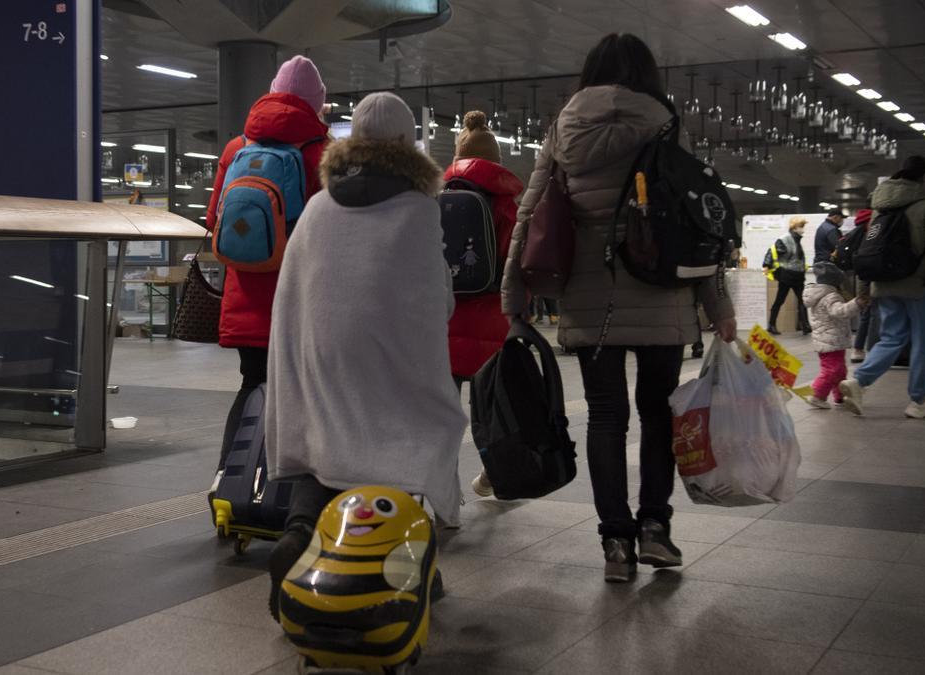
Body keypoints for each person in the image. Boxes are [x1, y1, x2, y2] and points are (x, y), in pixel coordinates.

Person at [500, 33, 736, 583]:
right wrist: (717, 304)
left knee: (607, 417)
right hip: (663, 296)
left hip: (589, 300)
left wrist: (513, 298)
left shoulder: (563, 130)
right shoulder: (662, 122)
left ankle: (615, 545)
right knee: (657, 416)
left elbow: (528, 216)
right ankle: (655, 528)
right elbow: (695, 223)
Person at [263, 92, 466, 617]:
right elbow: (433, 300)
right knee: (404, 440)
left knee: (324, 437)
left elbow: (293, 291)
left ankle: (300, 530)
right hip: (387, 355)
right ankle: (405, 564)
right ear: (406, 144)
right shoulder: (418, 208)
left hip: (321, 351)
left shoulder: (318, 205)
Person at [204, 56, 330, 466]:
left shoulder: (236, 147)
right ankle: (287, 490)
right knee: (302, 393)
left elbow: (213, 220)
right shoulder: (324, 153)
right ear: (316, 104)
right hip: (300, 298)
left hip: (245, 296)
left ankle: (229, 479)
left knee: (251, 384)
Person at [442, 110, 524, 498]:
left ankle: (444, 488)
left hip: (445, 317)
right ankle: (494, 475)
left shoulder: (438, 197)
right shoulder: (507, 204)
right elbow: (514, 259)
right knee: (490, 408)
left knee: (443, 411)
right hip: (492, 317)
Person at [839, 155, 925, 419]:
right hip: (921, 286)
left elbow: (871, 247)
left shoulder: (880, 206)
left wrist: (864, 288)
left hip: (886, 283)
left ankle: (859, 382)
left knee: (891, 337)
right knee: (924, 344)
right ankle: (918, 401)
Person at [803, 261, 867, 408]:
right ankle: (817, 395)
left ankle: (840, 396)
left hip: (830, 339)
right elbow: (839, 312)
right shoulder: (831, 296)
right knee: (832, 370)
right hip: (830, 340)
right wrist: (856, 304)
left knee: (839, 370)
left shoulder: (819, 294)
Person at [763, 217, 811, 335]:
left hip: (797, 275)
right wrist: (767, 265)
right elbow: (772, 251)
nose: (802, 229)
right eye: (801, 227)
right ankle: (772, 324)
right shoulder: (785, 239)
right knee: (780, 300)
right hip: (787, 274)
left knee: (802, 300)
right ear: (794, 228)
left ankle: (805, 324)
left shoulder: (797, 239)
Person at [849, 208, 874, 362]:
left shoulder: (856, 233)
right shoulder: (868, 234)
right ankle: (865, 349)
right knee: (869, 314)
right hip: (870, 278)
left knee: (866, 314)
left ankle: (858, 349)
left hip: (861, 277)